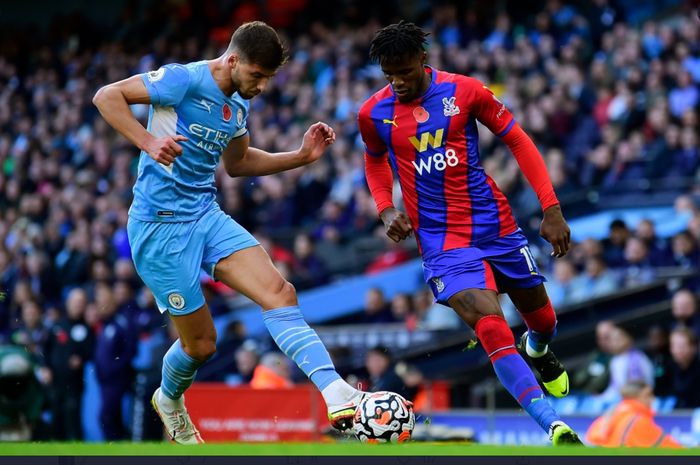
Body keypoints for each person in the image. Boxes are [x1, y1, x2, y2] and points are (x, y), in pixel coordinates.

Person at [93, 21, 363, 444]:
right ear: (233, 59)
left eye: (269, 78)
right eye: (257, 75)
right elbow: (106, 96)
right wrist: (147, 141)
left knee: (280, 291)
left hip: (205, 214)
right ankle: (169, 399)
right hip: (158, 229)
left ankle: (335, 390)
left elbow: (237, 164)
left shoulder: (238, 103)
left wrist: (301, 156)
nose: (261, 86)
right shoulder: (183, 79)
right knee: (201, 346)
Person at [359, 21, 580, 445]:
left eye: (405, 71)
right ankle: (554, 425)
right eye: (390, 75)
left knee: (544, 319)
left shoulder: (464, 92)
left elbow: (518, 140)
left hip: (495, 226)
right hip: (443, 244)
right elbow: (374, 161)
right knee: (491, 326)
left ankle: (538, 347)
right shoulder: (374, 113)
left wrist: (551, 207)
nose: (398, 82)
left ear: (423, 60)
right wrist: (386, 209)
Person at [586, 381, 681, 448]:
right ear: (635, 396)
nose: (652, 399)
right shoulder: (638, 421)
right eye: (648, 395)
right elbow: (673, 450)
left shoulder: (609, 415)